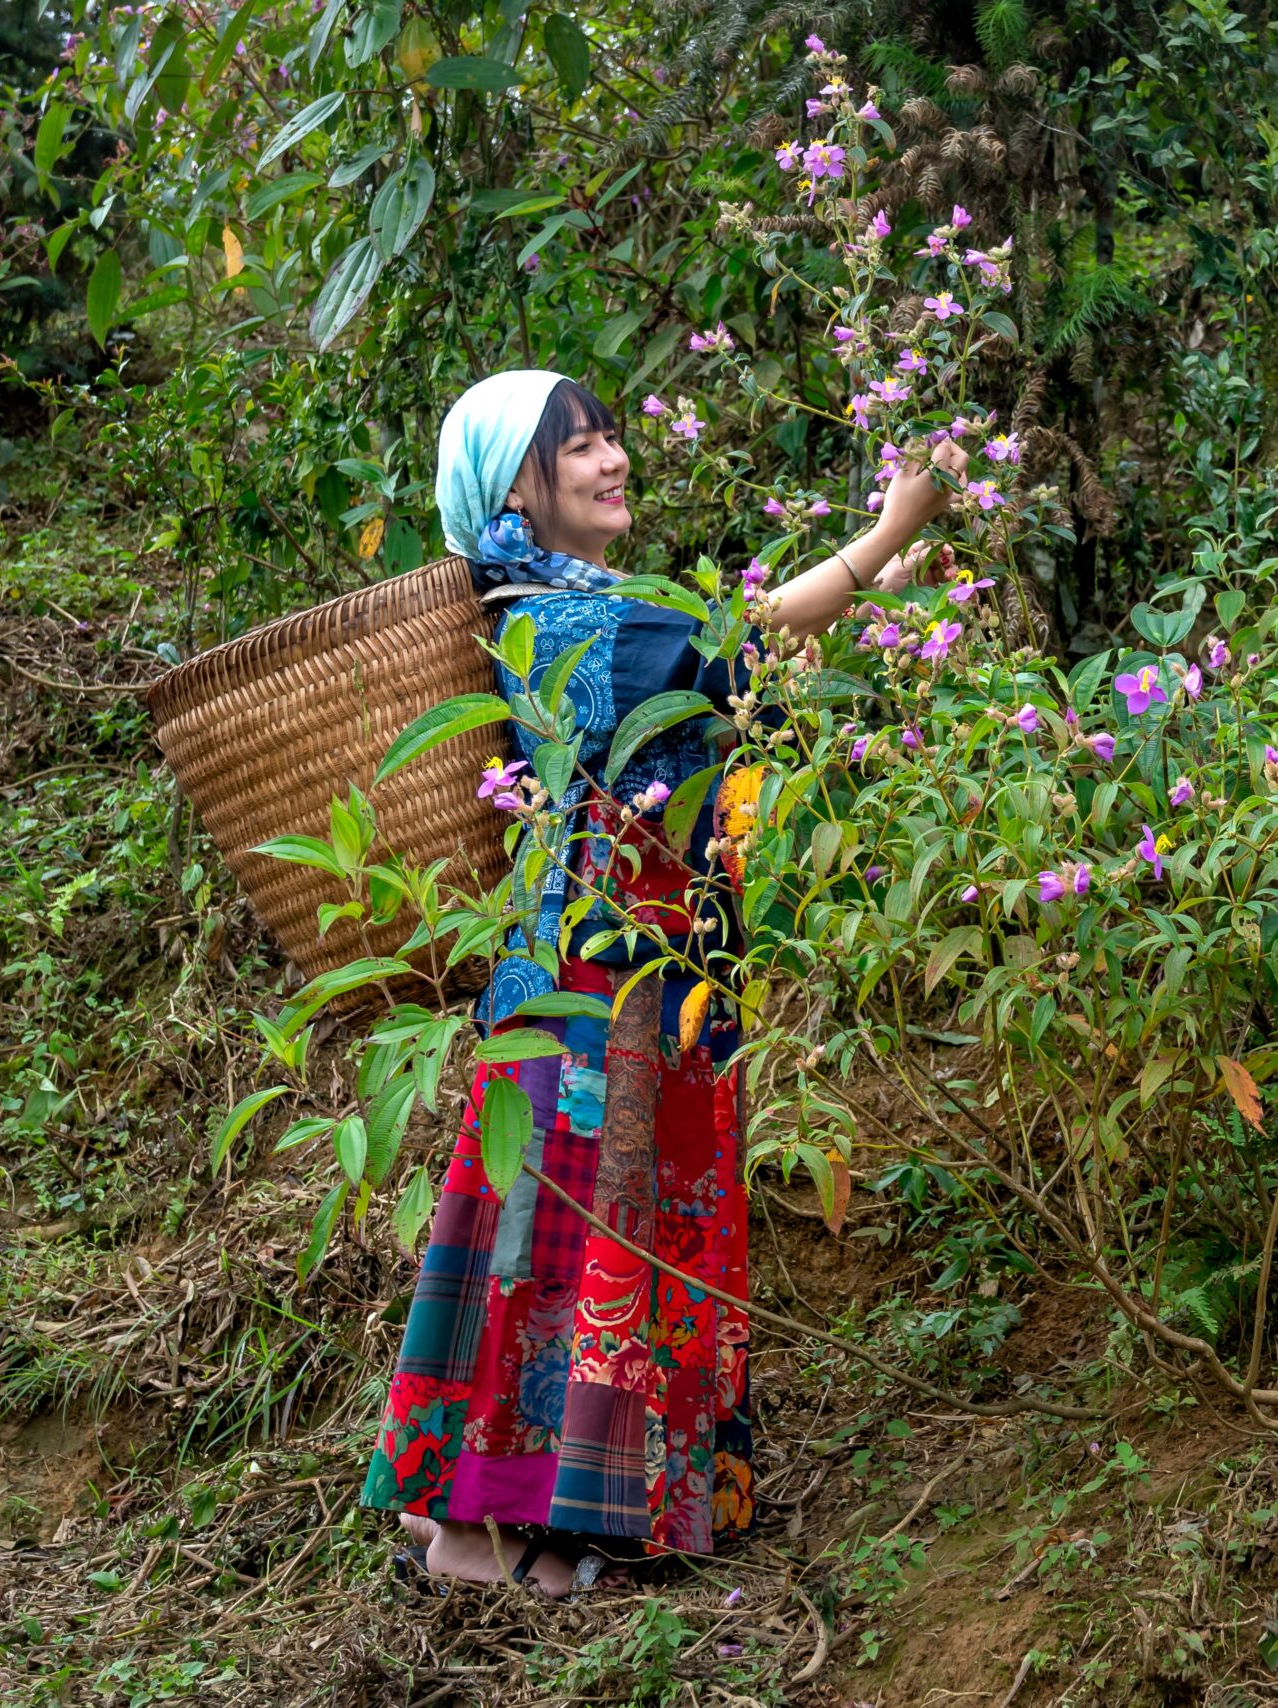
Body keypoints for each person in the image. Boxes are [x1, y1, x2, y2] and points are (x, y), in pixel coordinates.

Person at [361, 368, 962, 1597]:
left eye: (610, 437)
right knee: (581, 1218)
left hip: (644, 955)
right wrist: (888, 526)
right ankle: (487, 1528)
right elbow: (733, 648)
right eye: (577, 448)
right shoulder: (552, 607)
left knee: (586, 1219)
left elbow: (733, 700)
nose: (612, 459)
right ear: (513, 489)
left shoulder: (583, 601)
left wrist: (883, 587)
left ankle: (518, 1514)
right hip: (602, 970)